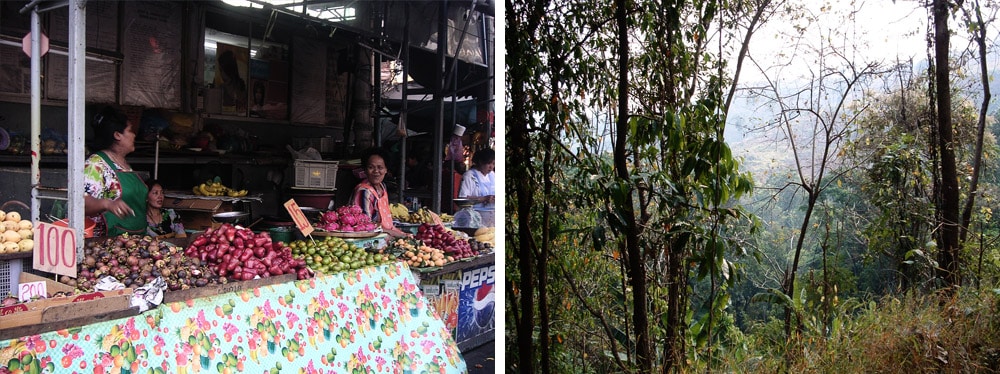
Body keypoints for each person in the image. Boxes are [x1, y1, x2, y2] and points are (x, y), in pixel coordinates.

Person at [84, 105, 148, 237]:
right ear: (118, 135)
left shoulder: (124, 165)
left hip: (136, 243)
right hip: (106, 245)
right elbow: (81, 203)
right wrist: (107, 203)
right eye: (130, 130)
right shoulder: (96, 165)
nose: (134, 135)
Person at [351, 148, 411, 238]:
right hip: (371, 238)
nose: (376, 171)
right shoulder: (364, 192)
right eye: (371, 167)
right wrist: (397, 235)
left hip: (384, 233)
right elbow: (366, 226)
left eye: (380, 167)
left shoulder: (382, 187)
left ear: (386, 169)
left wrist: (401, 233)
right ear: (365, 170)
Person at [459, 148, 495, 227]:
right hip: (473, 219)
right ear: (481, 162)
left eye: (493, 164)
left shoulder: (492, 175)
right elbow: (462, 200)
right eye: (488, 163)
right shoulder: (469, 176)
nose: (491, 167)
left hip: (491, 219)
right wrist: (483, 199)